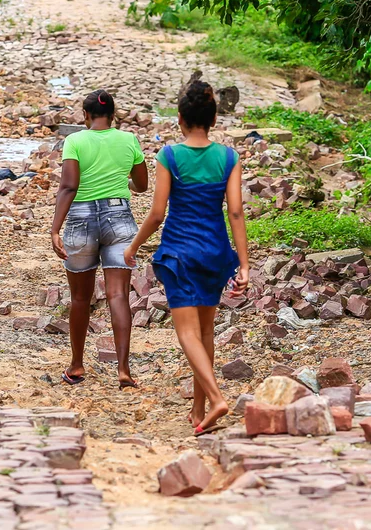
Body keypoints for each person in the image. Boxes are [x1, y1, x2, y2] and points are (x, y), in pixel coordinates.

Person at [124, 80, 250, 434]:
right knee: (206, 332)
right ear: (213, 120)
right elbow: (236, 212)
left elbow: (157, 213)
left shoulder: (170, 156)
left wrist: (133, 246)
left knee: (187, 335)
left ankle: (215, 398)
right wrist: (244, 263)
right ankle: (198, 410)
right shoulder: (228, 157)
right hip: (215, 252)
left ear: (180, 119)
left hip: (180, 253)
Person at [51, 89, 149, 390]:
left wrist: (55, 228)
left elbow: (69, 186)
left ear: (85, 116)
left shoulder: (75, 141)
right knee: (118, 295)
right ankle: (123, 370)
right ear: (114, 115)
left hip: (80, 219)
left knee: (80, 297)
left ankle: (77, 365)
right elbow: (142, 185)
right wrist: (126, 182)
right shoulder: (129, 140)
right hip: (119, 218)